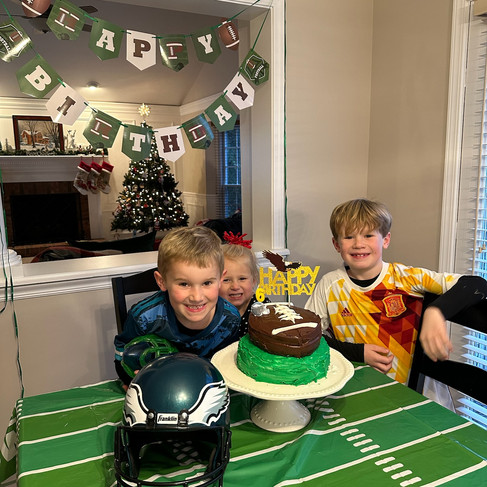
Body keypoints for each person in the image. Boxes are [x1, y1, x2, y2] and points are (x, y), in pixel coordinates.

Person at [306, 198, 487, 384]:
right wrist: (358, 353)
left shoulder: (406, 278)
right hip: (359, 386)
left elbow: (477, 284)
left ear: (385, 240)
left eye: (368, 236)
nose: (358, 244)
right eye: (349, 237)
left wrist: (436, 311)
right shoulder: (329, 285)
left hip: (416, 392)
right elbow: (305, 337)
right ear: (336, 245)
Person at [114, 226, 241, 387]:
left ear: (221, 279)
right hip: (158, 389)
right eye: (184, 284)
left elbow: (229, 366)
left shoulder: (231, 319)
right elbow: (122, 355)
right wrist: (133, 379)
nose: (197, 297)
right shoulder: (143, 318)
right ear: (162, 281)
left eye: (207, 283)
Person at [219, 231, 269, 337]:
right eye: (226, 280)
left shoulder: (262, 305)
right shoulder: (213, 308)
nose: (235, 286)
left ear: (253, 280)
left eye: (242, 279)